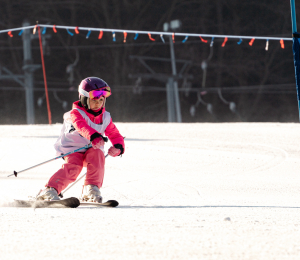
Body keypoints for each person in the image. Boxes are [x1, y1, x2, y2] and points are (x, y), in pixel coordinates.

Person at [36, 77, 125, 202]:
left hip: (92, 149)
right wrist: (94, 136)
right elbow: (81, 126)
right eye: (94, 100)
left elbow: (114, 133)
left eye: (101, 100)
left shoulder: (105, 117)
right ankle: (49, 190)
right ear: (84, 99)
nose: (99, 103)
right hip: (73, 149)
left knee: (98, 155)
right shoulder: (76, 113)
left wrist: (118, 147)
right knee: (74, 167)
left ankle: (91, 189)